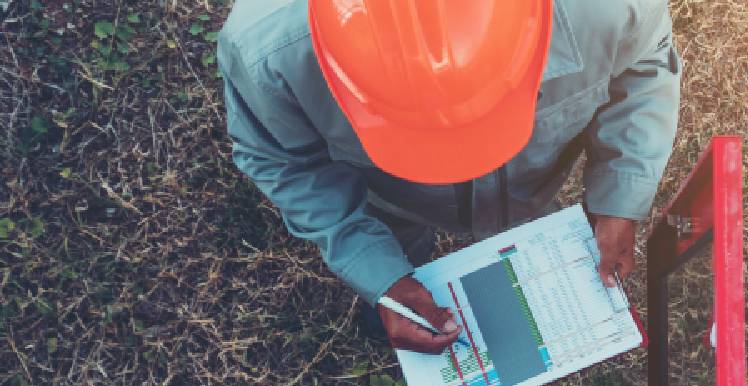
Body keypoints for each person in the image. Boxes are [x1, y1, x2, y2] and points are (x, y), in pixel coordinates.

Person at [217, 0, 680, 354]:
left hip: (531, 188)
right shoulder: (266, 49)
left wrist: (621, 197)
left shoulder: (610, 8)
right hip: (392, 203)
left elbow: (647, 69)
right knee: (401, 253)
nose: (463, 160)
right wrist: (380, 275)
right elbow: (284, 162)